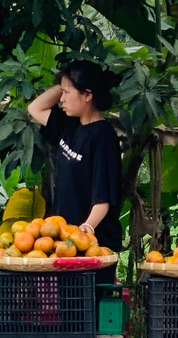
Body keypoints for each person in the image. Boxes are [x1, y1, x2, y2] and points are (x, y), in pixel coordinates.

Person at [26, 59, 123, 283]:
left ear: (87, 95)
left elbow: (103, 198)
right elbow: (35, 108)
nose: (61, 99)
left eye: (67, 92)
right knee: (71, 311)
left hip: (92, 245)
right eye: (62, 91)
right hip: (65, 243)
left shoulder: (103, 136)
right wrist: (65, 82)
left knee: (89, 311)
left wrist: (86, 230)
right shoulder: (68, 124)